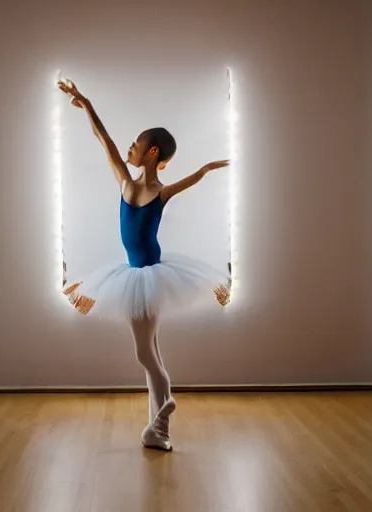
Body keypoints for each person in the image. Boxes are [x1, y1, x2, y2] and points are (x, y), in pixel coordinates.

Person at [58, 78, 230, 451]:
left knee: (143, 352)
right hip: (142, 274)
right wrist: (85, 103)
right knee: (152, 349)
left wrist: (207, 169)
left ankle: (165, 408)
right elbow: (104, 140)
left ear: (151, 152)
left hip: (146, 276)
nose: (129, 147)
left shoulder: (148, 190)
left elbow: (192, 177)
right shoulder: (134, 184)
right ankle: (158, 430)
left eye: (136, 143)